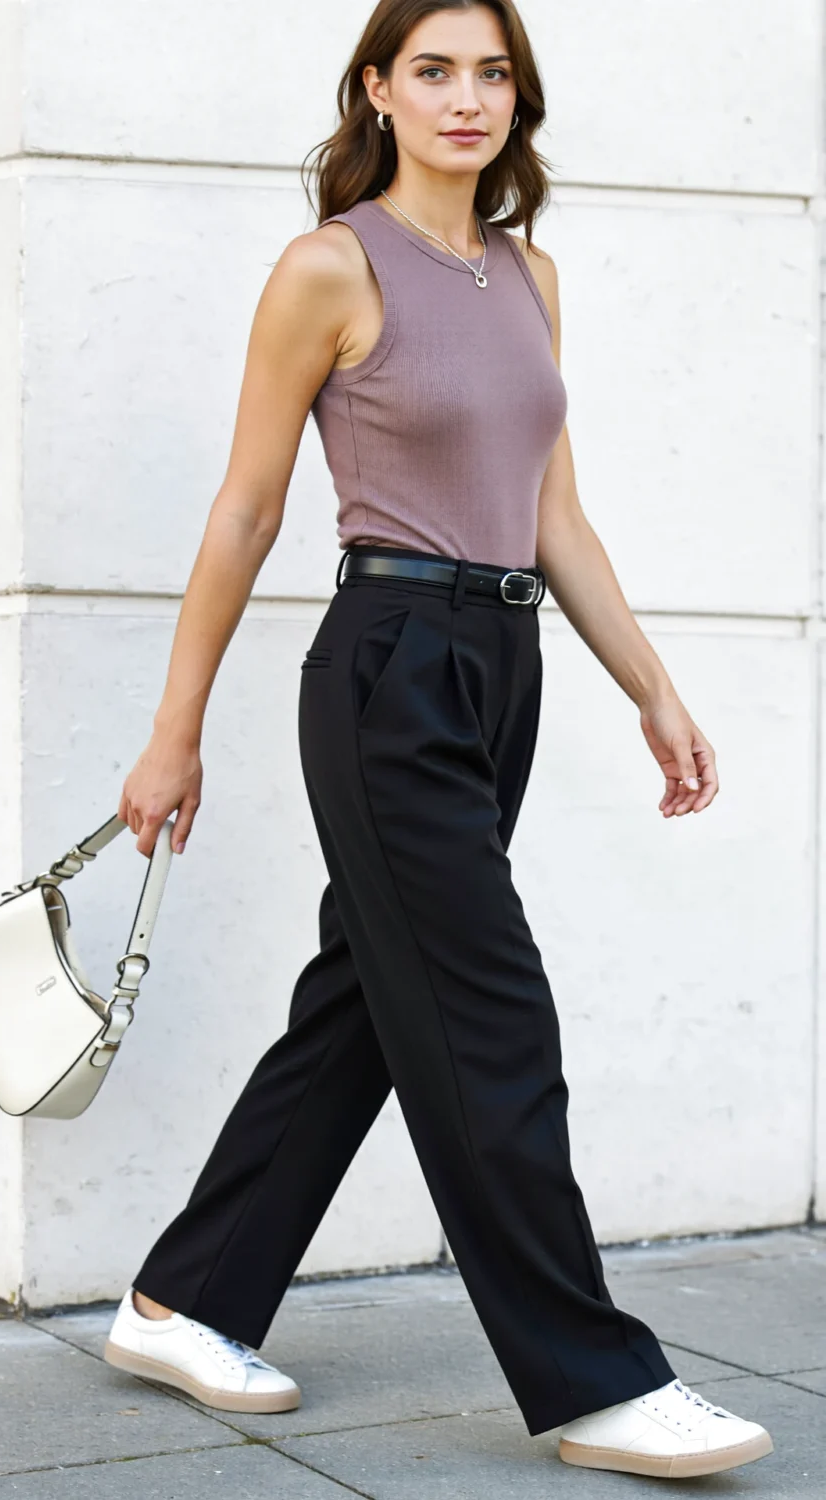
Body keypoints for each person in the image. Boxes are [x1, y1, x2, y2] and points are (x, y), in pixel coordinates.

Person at [103, 0, 774, 1481]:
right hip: (387, 666)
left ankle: (182, 1300)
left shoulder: (531, 276)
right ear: (377, 90)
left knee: (368, 1000)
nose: (466, 98)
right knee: (489, 1017)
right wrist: (174, 732)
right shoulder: (331, 266)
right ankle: (598, 1379)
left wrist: (651, 688)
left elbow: (553, 511)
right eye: (433, 71)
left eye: (492, 74)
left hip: (501, 663)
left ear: (516, 99)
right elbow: (247, 508)